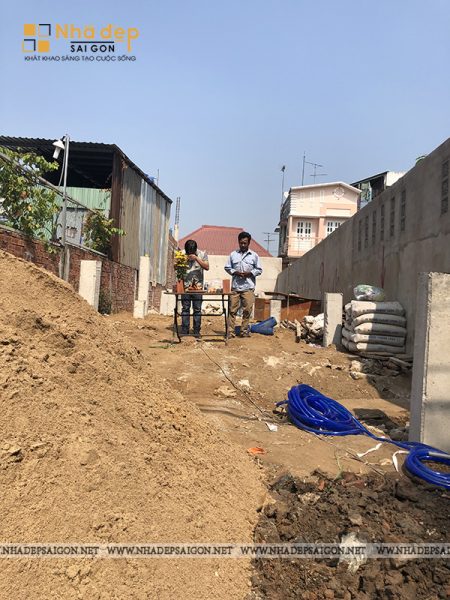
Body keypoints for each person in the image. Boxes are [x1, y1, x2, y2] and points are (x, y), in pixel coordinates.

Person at [225, 231, 262, 338]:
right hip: (235, 287)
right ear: (238, 242)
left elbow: (259, 269)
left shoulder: (254, 256)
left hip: (248, 287)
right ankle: (230, 332)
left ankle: (244, 331)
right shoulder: (233, 254)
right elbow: (227, 267)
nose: (243, 245)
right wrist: (236, 272)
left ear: (249, 243)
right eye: (241, 243)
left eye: (245, 243)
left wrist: (249, 273)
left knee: (247, 310)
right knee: (232, 310)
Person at [181, 239, 209, 338]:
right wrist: (184, 260)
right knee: (185, 309)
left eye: (192, 252)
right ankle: (185, 331)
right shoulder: (181, 254)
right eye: (188, 252)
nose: (190, 254)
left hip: (198, 287)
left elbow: (207, 267)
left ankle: (196, 331)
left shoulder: (202, 254)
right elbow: (175, 267)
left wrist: (196, 258)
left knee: (197, 309)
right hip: (185, 287)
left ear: (195, 250)